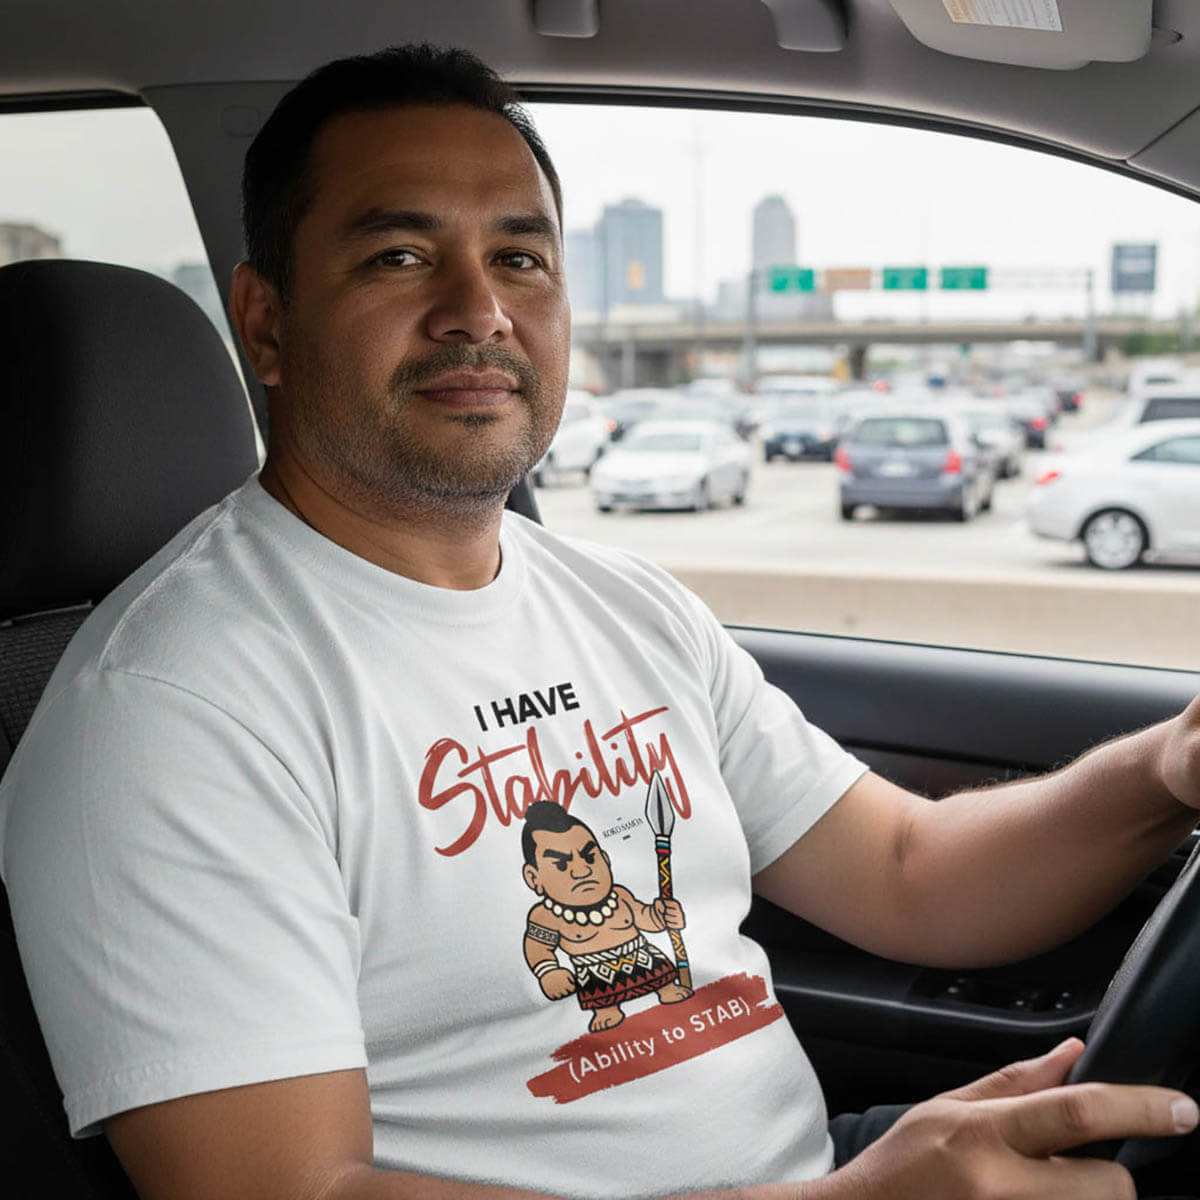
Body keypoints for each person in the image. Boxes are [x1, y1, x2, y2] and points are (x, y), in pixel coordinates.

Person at [0, 42, 1198, 1200]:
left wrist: (1164, 770)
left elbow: (907, 872)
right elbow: (290, 1191)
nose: (479, 310)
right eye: (402, 257)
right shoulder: (168, 710)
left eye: (521, 259)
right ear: (265, 324)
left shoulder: (622, 602)